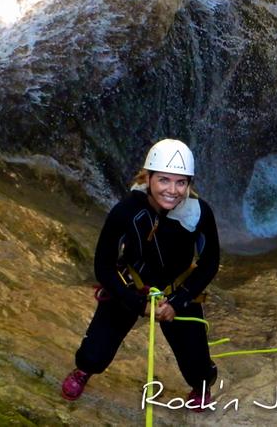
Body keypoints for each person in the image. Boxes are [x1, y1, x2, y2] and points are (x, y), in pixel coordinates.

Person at [61, 139, 220, 409]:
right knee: (94, 354)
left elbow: (210, 262)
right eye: (164, 181)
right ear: (149, 178)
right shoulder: (126, 211)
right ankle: (83, 371)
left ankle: (200, 386)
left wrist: (179, 302)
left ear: (189, 183)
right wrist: (138, 304)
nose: (172, 191)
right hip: (133, 285)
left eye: (181, 182)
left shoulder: (198, 214)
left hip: (176, 291)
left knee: (198, 367)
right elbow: (103, 265)